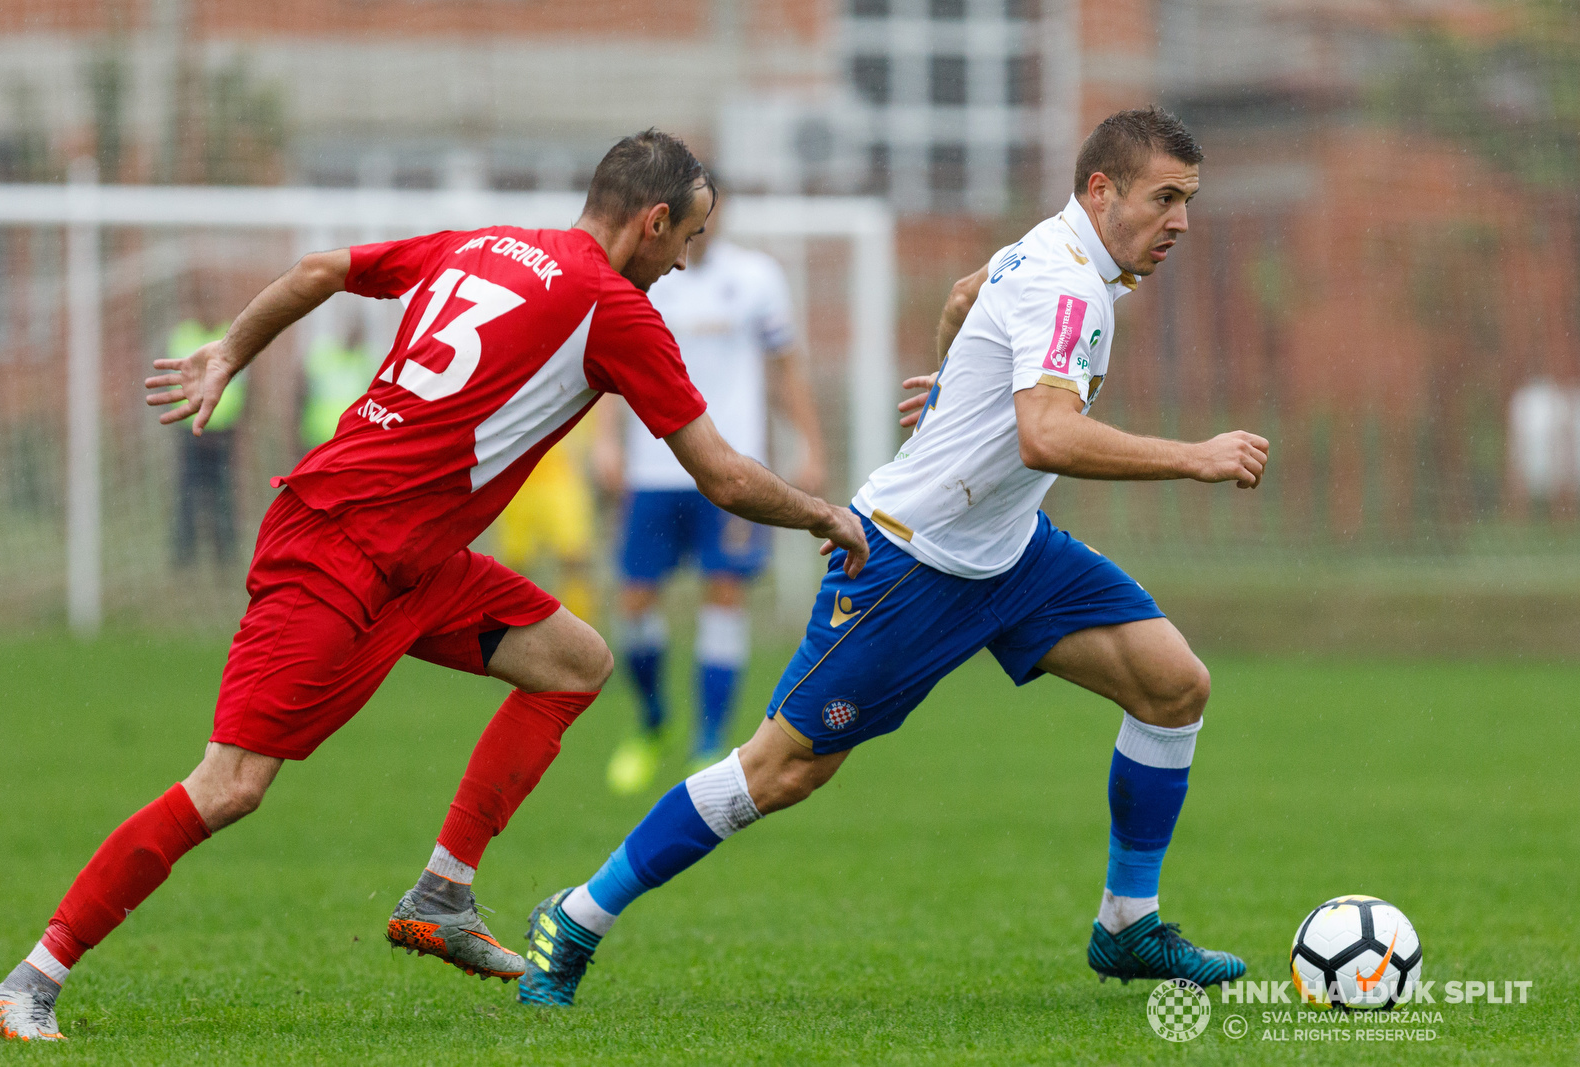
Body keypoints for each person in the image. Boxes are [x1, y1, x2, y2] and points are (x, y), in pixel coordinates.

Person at [0, 129, 868, 1044]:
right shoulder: (612, 307)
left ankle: (443, 890)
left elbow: (322, 268)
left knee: (573, 661)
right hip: (336, 546)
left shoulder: (481, 244)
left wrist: (229, 352)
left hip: (414, 560)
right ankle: (29, 979)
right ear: (651, 222)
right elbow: (719, 474)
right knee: (232, 783)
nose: (685, 261)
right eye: (686, 238)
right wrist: (823, 514)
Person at [516, 107, 1269, 1008]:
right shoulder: (1069, 285)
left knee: (1173, 685)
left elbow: (962, 293)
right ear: (1101, 191)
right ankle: (580, 914)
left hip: (1012, 554)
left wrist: (955, 380)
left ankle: (1125, 923)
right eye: (1166, 198)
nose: (1181, 220)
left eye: (1188, 200)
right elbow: (1046, 436)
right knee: (780, 770)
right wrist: (1197, 455)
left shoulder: (1061, 251)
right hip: (907, 564)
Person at [594, 200, 829, 793]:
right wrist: (607, 443)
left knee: (723, 595)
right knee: (636, 603)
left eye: (709, 212)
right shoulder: (640, 281)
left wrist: (810, 444)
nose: (701, 226)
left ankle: (706, 743)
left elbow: (785, 368)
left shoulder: (756, 279)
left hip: (732, 468)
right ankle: (652, 724)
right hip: (654, 467)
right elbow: (611, 365)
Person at [491, 411, 600, 623]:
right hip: (518, 477)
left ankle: (578, 629)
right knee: (515, 565)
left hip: (563, 474)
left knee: (574, 558)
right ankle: (515, 627)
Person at [170, 315, 247, 566]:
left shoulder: (230, 336)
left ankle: (225, 555)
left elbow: (244, 388)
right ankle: (184, 556)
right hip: (191, 434)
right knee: (187, 499)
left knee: (223, 498)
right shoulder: (183, 336)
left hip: (222, 436)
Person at [300, 320, 378, 452]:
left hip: (344, 437)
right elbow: (303, 390)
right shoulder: (326, 356)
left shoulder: (365, 365)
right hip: (319, 435)